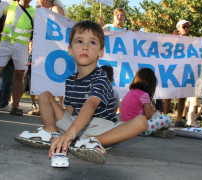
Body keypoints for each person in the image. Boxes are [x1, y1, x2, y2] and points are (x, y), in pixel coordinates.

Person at [15, 20, 148, 164]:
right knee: (45, 95)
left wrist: (71, 132)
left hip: (102, 128)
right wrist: (69, 130)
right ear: (70, 49)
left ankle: (93, 142)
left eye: (92, 43)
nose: (85, 47)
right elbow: (70, 109)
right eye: (79, 41)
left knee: (142, 121)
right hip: (77, 125)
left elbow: (91, 104)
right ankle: (51, 131)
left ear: (101, 51)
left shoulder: (101, 77)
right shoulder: (70, 80)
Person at [0, 0, 35, 116]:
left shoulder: (34, 12)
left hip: (21, 46)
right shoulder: (9, 5)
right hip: (5, 43)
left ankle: (15, 106)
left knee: (19, 75)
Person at [120, 68, 175, 138]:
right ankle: (160, 131)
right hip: (139, 130)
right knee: (167, 118)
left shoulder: (130, 93)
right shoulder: (144, 95)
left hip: (125, 128)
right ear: (151, 84)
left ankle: (157, 130)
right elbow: (148, 116)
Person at [163, 20, 191, 127]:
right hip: (172, 70)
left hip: (184, 69)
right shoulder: (171, 39)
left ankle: (179, 119)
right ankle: (165, 117)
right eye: (184, 27)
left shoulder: (191, 41)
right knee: (168, 94)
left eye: (188, 27)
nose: (186, 29)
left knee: (183, 95)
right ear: (178, 28)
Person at [22, 41, 37, 110]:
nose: (32, 46)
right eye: (31, 45)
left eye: (33, 45)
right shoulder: (25, 54)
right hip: (25, 74)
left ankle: (33, 103)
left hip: (32, 74)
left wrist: (31, 64)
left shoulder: (36, 54)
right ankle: (15, 102)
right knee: (22, 89)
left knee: (32, 90)